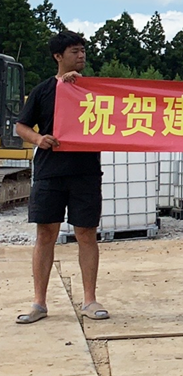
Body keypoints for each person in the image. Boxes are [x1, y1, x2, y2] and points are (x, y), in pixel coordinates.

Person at [15, 31, 109, 324]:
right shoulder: (43, 90)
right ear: (58, 56)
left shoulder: (94, 90)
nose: (81, 56)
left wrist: (79, 87)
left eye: (83, 51)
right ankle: (39, 303)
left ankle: (90, 300)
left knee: (86, 233)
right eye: (74, 52)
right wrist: (38, 138)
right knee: (45, 234)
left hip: (85, 173)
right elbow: (21, 126)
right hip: (50, 173)